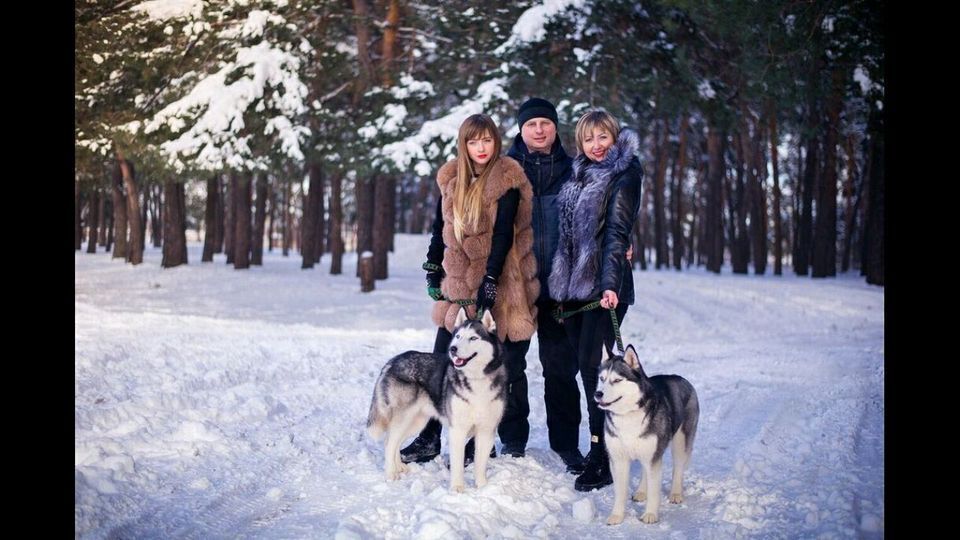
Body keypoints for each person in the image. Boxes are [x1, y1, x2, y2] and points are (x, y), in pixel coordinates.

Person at [400, 113, 540, 465]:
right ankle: (430, 437)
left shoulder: (506, 179)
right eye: (473, 141)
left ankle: (488, 442)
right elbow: (439, 230)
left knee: (493, 369)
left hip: (499, 287)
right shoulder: (451, 181)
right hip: (459, 289)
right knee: (441, 363)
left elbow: (503, 237)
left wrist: (490, 281)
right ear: (464, 145)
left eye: (487, 140)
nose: (481, 148)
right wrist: (433, 270)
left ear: (496, 142)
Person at [548, 109, 644, 491]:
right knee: (585, 369)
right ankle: (599, 446)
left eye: (603, 137)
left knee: (595, 370)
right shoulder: (577, 174)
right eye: (588, 140)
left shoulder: (625, 173)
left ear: (614, 137)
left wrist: (610, 284)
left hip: (605, 288)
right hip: (572, 290)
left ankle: (603, 456)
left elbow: (618, 233)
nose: (596, 146)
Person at [504, 98, 587, 475]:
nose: (539, 129)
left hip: (559, 284)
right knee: (508, 365)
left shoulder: (575, 170)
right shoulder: (503, 169)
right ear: (520, 129)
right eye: (531, 123)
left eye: (545, 123)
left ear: (556, 127)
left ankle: (567, 444)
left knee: (560, 368)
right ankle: (513, 439)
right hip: (514, 284)